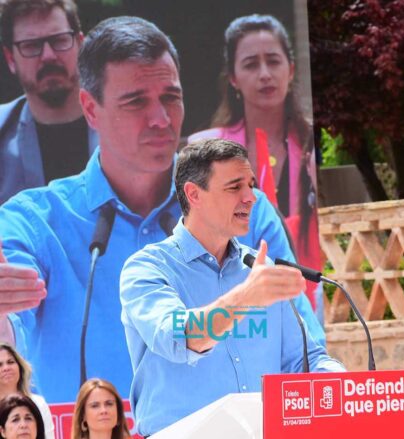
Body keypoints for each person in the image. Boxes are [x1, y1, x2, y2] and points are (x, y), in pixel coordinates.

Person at [0, 15, 323, 405]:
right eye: (136, 101)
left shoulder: (248, 210)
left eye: (171, 97)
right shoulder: (33, 222)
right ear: (90, 108)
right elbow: (7, 342)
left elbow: (306, 355)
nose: (161, 119)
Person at [120, 139, 345, 435]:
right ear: (194, 194)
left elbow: (303, 361)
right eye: (234, 187)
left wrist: (352, 389)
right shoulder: (147, 268)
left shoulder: (258, 271)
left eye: (251, 185)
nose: (250, 197)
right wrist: (246, 297)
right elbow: (183, 336)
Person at [189, 14, 322, 310]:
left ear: (291, 70)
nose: (265, 74)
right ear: (233, 78)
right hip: (234, 306)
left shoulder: (315, 143)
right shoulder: (203, 149)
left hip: (313, 301)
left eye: (273, 61)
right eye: (251, 64)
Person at [0, 0, 98, 204]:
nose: (48, 56)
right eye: (31, 45)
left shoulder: (125, 122)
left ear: (80, 45)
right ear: (10, 58)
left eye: (60, 40)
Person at [0, 344, 53, 439]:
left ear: (20, 368)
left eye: (10, 362)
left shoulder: (38, 403)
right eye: (0, 365)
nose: (6, 368)